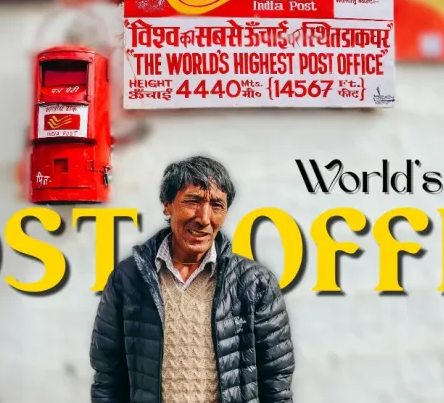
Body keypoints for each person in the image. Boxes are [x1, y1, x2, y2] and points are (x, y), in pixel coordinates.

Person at [90, 155, 295, 403]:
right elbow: (108, 376)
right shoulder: (127, 279)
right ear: (167, 205)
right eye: (193, 201)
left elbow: (276, 379)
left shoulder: (254, 283)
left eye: (217, 205)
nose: (204, 218)